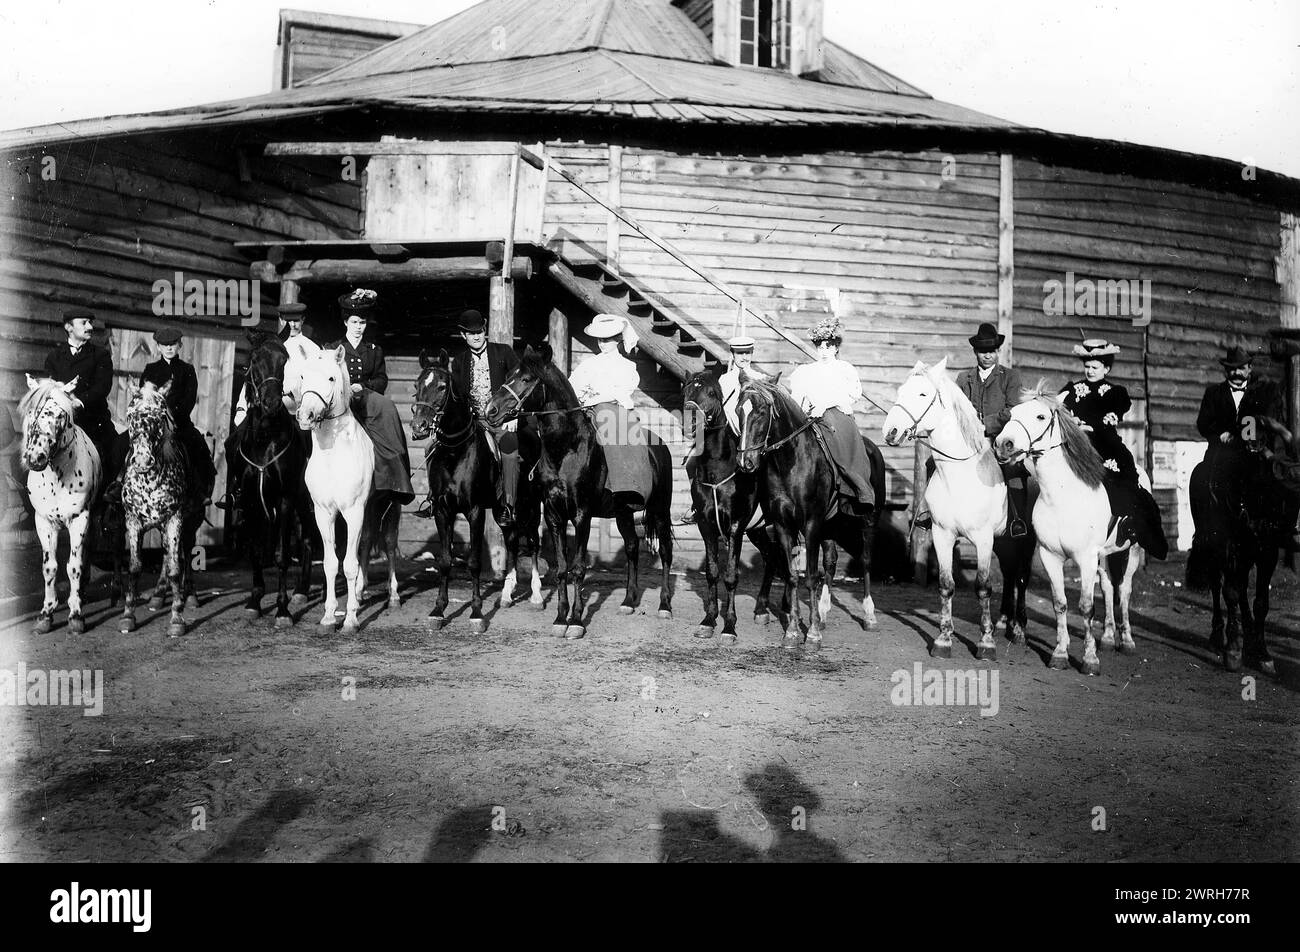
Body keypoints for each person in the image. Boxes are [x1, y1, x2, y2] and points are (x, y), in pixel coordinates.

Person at [914, 322, 1027, 536]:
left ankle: (1016, 519)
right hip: (967, 441)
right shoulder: (964, 378)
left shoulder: (1010, 377)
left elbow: (1013, 410)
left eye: (992, 351)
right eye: (983, 351)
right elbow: (955, 410)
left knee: (1014, 471)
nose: (988, 356)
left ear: (998, 351)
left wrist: (986, 424)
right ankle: (930, 513)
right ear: (975, 352)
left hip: (997, 439)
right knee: (932, 463)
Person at [1059, 338, 1168, 558]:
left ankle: (1127, 522)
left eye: (1095, 367)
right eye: (1087, 366)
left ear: (1106, 368)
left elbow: (1112, 417)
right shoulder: (1072, 390)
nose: (1089, 371)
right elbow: (1059, 410)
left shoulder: (1114, 392)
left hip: (1105, 447)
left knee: (1124, 480)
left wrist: (1092, 424)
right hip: (1077, 447)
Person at [1196, 344, 1298, 545]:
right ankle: (1208, 530)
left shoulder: (1259, 393)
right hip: (1222, 451)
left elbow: (1266, 421)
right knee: (1206, 481)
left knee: (1280, 479)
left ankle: (1285, 530)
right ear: (1226, 370)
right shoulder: (1213, 393)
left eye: (1241, 368)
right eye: (1231, 368)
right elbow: (1203, 424)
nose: (1236, 372)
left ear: (1249, 368)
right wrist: (1219, 435)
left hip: (1253, 450)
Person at [325, 289, 414, 503]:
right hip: (338, 401)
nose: (358, 327)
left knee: (388, 407)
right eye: (354, 322)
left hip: (364, 399)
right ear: (346, 322)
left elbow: (381, 380)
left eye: (362, 323)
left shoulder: (374, 350)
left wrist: (362, 386)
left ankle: (396, 477)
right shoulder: (333, 348)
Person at [433, 308, 521, 522]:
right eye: (471, 333)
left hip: (501, 420)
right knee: (433, 448)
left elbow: (519, 385)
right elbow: (453, 398)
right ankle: (434, 498)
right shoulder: (459, 361)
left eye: (480, 331)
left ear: (485, 330)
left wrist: (514, 415)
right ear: (463, 335)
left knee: (510, 452)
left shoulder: (504, 352)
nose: (477, 336)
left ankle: (508, 506)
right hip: (472, 423)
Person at [677, 335, 769, 525]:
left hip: (751, 438)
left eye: (747, 352)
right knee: (692, 461)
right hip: (726, 437)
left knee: (767, 466)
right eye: (739, 353)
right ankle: (698, 505)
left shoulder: (760, 379)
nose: (744, 357)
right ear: (733, 355)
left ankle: (770, 507)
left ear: (752, 353)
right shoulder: (723, 381)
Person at [787, 317, 874, 514]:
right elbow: (797, 396)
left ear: (835, 347)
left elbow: (851, 394)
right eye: (820, 346)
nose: (824, 350)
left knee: (837, 439)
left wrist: (825, 405)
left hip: (836, 413)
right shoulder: (806, 371)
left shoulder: (843, 369)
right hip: (810, 415)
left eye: (828, 346)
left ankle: (856, 488)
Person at [567, 314, 650, 510]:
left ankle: (623, 485)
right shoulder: (588, 364)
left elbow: (619, 393)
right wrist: (582, 399)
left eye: (607, 340)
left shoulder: (627, 366)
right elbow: (573, 386)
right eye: (599, 339)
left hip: (612, 410)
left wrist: (595, 398)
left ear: (618, 340)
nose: (602, 344)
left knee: (605, 415)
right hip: (585, 409)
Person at [42, 309, 124, 498]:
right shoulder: (54, 356)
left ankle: (109, 497)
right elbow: (50, 388)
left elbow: (103, 386)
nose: (90, 327)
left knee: (113, 451)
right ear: (69, 327)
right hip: (61, 423)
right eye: (84, 322)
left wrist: (80, 401)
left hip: (93, 422)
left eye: (90, 323)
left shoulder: (100, 355)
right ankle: (33, 507)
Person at [139, 327, 217, 502]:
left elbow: (189, 400)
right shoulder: (150, 370)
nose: (168, 348)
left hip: (179, 424)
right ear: (158, 347)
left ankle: (200, 489)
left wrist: (172, 418)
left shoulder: (187, 370)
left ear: (179, 345)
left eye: (172, 344)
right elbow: (143, 397)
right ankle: (119, 482)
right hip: (152, 424)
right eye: (164, 345)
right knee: (125, 442)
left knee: (198, 445)